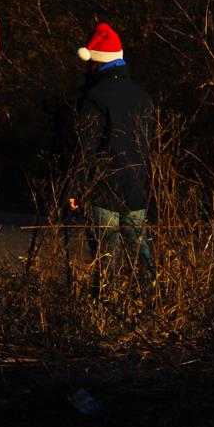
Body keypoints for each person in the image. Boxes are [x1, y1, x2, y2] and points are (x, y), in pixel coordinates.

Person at [75, 22, 156, 288]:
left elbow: (86, 147)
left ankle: (107, 308)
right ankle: (150, 301)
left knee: (106, 257)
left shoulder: (96, 97)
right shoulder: (143, 96)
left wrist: (75, 188)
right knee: (140, 254)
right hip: (137, 186)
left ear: (94, 61)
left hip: (104, 189)